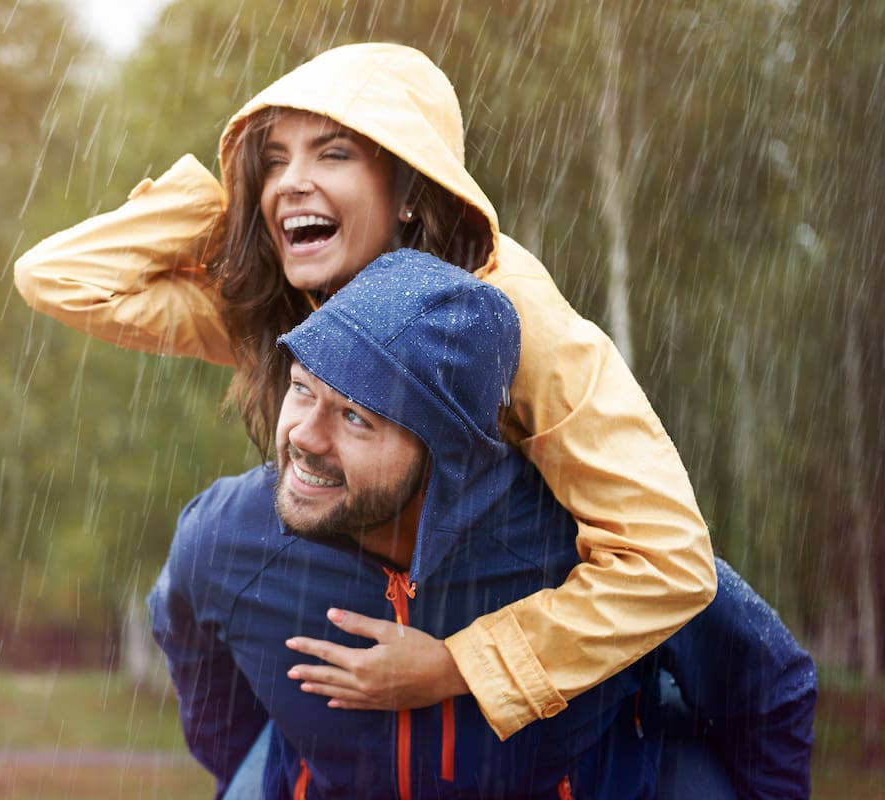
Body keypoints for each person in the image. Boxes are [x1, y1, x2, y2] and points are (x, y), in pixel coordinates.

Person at [15, 42, 716, 738]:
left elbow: (667, 562)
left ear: (410, 191)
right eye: (275, 158)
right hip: (349, 688)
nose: (291, 179)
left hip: (549, 728)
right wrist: (236, 208)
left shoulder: (520, 323)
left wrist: (459, 666)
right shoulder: (294, 304)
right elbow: (60, 277)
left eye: (333, 153)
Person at [148, 251, 816, 800]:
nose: (304, 438)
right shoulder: (228, 537)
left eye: (357, 418)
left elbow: (770, 685)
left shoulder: (593, 550)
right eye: (303, 389)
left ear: (448, 454)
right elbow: (200, 672)